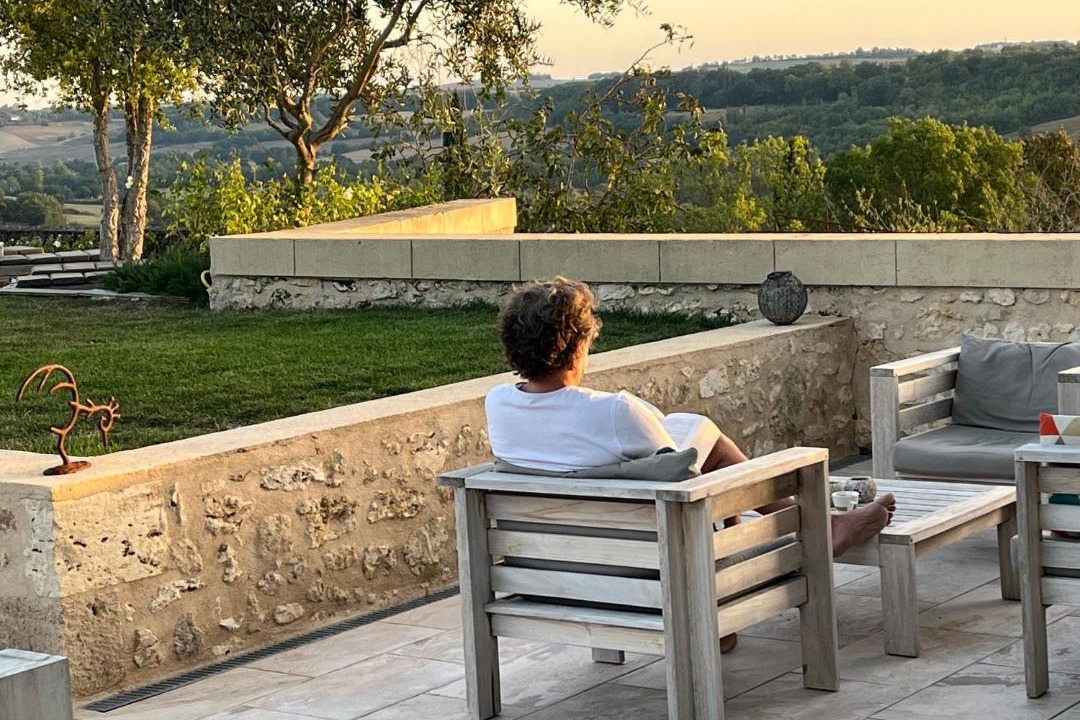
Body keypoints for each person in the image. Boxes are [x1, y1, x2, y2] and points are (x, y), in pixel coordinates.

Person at [485, 277, 897, 651]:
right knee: (704, 445)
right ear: (578, 344)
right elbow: (681, 474)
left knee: (690, 429)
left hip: (549, 570)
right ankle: (814, 528)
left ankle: (779, 550)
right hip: (650, 572)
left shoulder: (499, 404)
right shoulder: (615, 411)